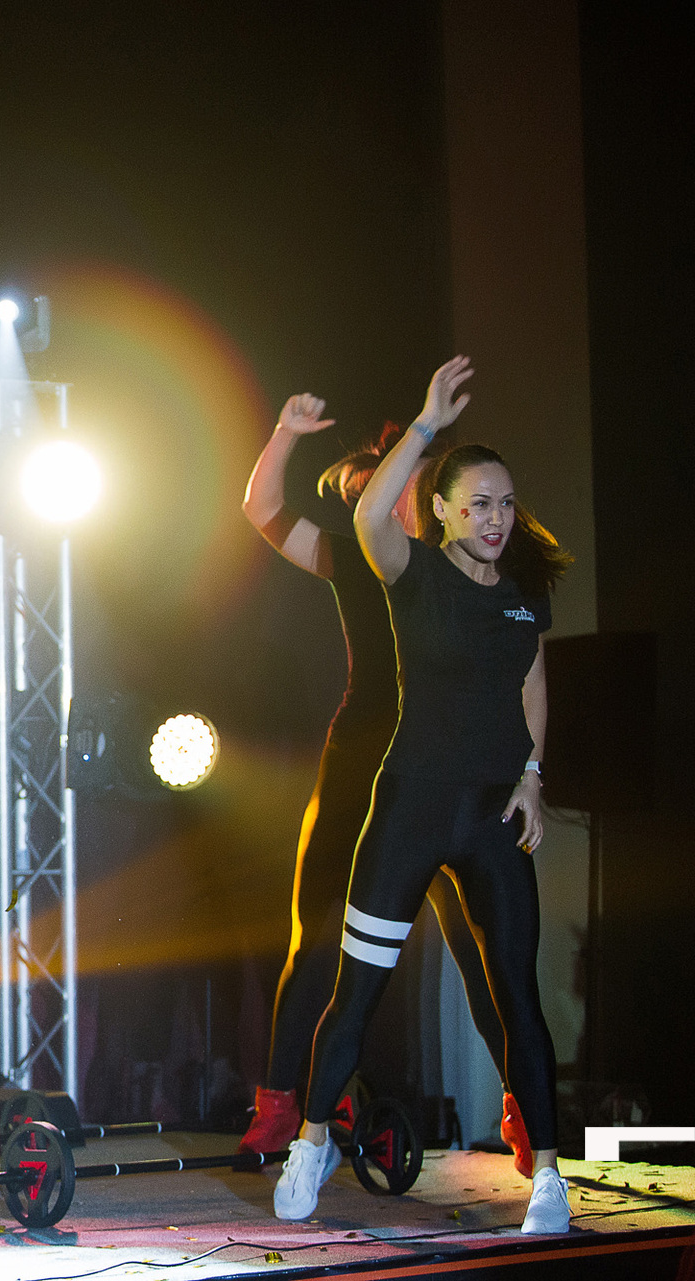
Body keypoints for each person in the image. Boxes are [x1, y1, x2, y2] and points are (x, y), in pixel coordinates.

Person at [272, 357, 573, 1234]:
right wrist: (427, 426)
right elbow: (370, 513)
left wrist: (533, 777)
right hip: (408, 809)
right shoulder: (413, 574)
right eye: (478, 503)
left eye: (506, 503)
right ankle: (311, 1140)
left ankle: (548, 1175)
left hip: (491, 817)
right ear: (440, 510)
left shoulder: (523, 595)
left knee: (517, 996)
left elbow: (533, 686)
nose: (496, 517)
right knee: (356, 994)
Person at [240, 397, 527, 1169]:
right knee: (316, 940)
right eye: (394, 480)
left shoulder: (470, 575)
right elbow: (263, 511)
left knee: (482, 949)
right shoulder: (357, 557)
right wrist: (285, 434)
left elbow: (525, 671)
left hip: (445, 772)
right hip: (360, 768)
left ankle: (525, 1109)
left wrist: (526, 770)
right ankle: (281, 1105)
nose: (404, 493)